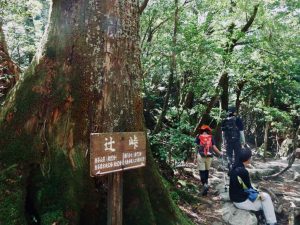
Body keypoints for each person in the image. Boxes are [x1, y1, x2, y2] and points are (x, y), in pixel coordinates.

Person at [229, 148, 277, 225]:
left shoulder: (234, 168)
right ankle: (271, 222)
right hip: (241, 201)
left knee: (265, 200)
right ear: (247, 159)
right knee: (266, 198)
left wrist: (258, 193)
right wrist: (258, 195)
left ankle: (266, 220)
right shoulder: (243, 171)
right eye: (250, 157)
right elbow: (247, 189)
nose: (251, 159)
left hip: (235, 198)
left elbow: (242, 187)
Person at [194, 125, 222, 196]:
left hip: (201, 155)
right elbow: (214, 147)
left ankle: (205, 185)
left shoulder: (198, 136)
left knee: (201, 171)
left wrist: (194, 157)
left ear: (201, 130)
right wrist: (220, 153)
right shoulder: (211, 137)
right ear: (208, 130)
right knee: (206, 172)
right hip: (209, 156)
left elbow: (196, 147)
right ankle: (206, 188)